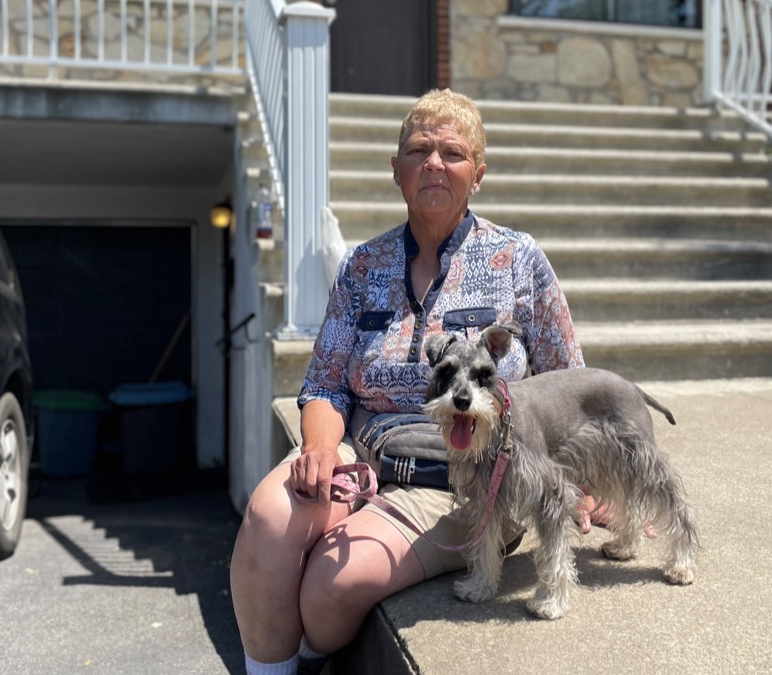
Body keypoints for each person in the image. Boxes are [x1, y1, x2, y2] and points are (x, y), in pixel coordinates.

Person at [229, 89, 586, 675]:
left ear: (478, 175)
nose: (434, 163)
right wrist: (321, 449)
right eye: (419, 151)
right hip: (362, 448)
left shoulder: (519, 259)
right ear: (397, 170)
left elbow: (569, 380)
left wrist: (585, 481)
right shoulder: (361, 266)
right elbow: (325, 385)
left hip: (468, 480)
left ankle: (305, 656)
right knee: (269, 520)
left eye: (453, 153)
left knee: (330, 587)